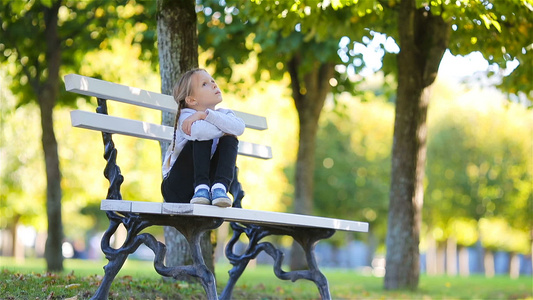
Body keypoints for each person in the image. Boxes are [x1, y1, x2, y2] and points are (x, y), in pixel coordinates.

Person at [161, 68, 245, 207]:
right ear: (192, 100)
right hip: (178, 188)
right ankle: (201, 188)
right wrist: (224, 127)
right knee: (202, 134)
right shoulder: (186, 116)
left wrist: (204, 115)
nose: (214, 84)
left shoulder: (223, 113)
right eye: (205, 84)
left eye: (212, 80)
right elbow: (200, 132)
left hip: (209, 191)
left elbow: (239, 128)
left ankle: (220, 188)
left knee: (230, 138)